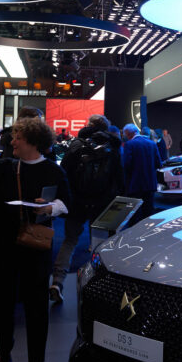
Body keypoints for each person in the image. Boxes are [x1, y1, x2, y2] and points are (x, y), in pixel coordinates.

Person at [0, 117, 70, 362]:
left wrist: (51, 207)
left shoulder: (53, 171)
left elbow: (67, 202)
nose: (12, 141)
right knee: (2, 307)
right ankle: (4, 360)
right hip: (4, 246)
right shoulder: (5, 167)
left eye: (18, 137)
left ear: (33, 141)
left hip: (35, 248)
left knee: (36, 308)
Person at [49, 114, 124, 304]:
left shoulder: (76, 145)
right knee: (100, 246)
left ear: (88, 125)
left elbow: (63, 172)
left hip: (76, 203)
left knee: (69, 241)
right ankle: (99, 288)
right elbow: (119, 178)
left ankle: (57, 281)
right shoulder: (112, 147)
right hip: (102, 204)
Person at [122, 124, 161, 225]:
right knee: (148, 213)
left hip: (135, 185)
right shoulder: (152, 144)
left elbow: (127, 165)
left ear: (128, 134)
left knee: (134, 215)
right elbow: (158, 163)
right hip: (150, 184)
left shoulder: (129, 144)